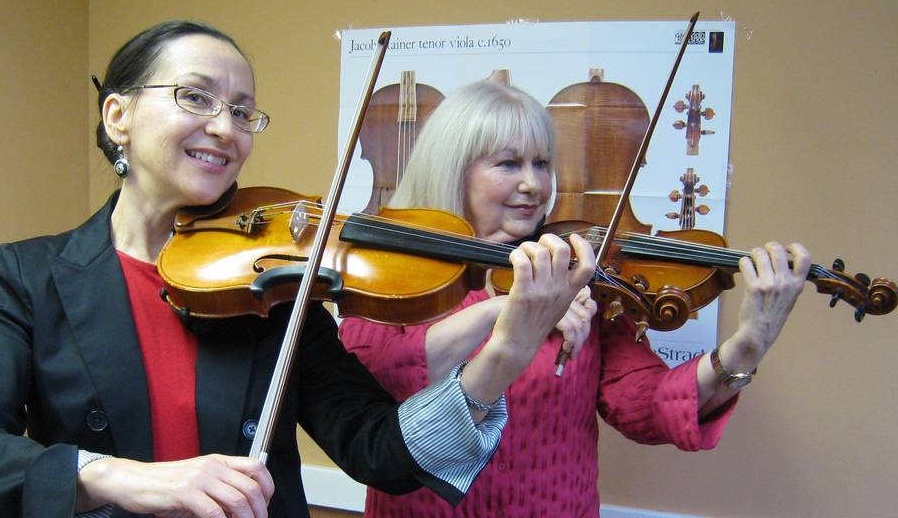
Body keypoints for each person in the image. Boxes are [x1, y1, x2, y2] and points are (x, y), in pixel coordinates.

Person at [0, 21, 597, 518]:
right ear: (119, 115)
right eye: (196, 98)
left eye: (243, 111)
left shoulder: (276, 287)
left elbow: (381, 454)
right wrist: (121, 477)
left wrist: (507, 349)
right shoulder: (35, 276)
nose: (226, 128)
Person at [339, 79, 811, 517]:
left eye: (541, 164)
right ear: (453, 170)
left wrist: (751, 341)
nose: (534, 185)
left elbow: (645, 404)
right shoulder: (392, 274)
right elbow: (375, 379)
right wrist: (504, 311)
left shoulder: (578, 274)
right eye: (508, 163)